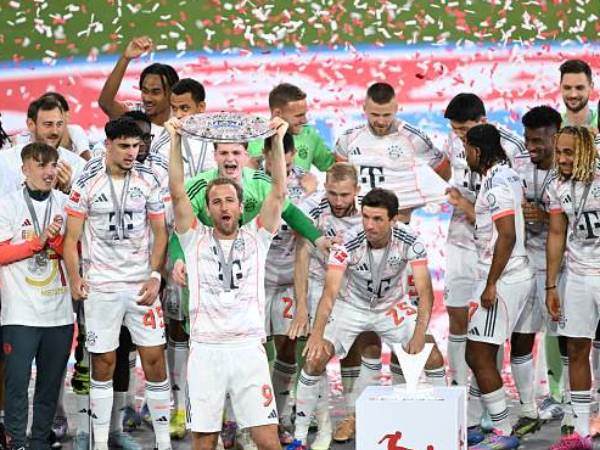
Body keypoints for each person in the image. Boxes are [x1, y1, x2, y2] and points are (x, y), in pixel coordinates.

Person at [289, 188, 445, 450]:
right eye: (366, 217)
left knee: (432, 355)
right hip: (351, 306)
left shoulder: (411, 241)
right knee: (314, 358)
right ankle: (300, 438)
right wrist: (316, 334)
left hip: (391, 306)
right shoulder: (348, 243)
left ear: (393, 220)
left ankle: (445, 427)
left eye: (377, 219)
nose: (369, 225)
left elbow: (426, 293)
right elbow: (330, 293)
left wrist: (419, 334)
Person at [166, 115, 288, 450]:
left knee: (267, 439)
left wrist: (277, 141)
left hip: (248, 349)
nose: (224, 206)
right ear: (207, 209)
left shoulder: (257, 237)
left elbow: (279, 192)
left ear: (240, 206)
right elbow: (177, 193)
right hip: (206, 350)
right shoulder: (194, 240)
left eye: (230, 200)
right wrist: (175, 140)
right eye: (216, 201)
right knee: (204, 441)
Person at [63, 117, 171, 450]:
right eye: (124, 146)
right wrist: (76, 278)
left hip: (140, 287)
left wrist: (155, 275)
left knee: (154, 359)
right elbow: (70, 239)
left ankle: (164, 443)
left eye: (136, 146)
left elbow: (161, 233)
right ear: (107, 145)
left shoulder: (149, 180)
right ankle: (99, 443)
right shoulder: (86, 183)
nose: (131, 152)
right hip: (102, 288)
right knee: (104, 362)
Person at [442, 92, 529, 389]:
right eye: (455, 130)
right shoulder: (454, 142)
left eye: (464, 130)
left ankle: (488, 393)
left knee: (491, 328)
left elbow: (516, 208)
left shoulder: (512, 148)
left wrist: (466, 205)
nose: (459, 137)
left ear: (483, 122)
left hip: (497, 250)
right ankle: (459, 388)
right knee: (458, 315)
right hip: (462, 240)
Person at [461, 124, 534, 450]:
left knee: (478, 354)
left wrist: (491, 283)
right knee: (480, 353)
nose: (465, 155)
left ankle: (503, 431)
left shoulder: (495, 185)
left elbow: (507, 234)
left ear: (477, 151)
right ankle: (481, 424)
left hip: (503, 279)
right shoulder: (508, 175)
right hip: (510, 274)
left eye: (466, 148)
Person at [0, 142, 74, 450]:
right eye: (40, 165)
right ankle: (17, 442)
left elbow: (78, 251)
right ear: (24, 169)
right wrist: (37, 243)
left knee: (49, 387)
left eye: (52, 165)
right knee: (17, 384)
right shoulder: (7, 204)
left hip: (59, 312)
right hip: (20, 312)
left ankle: (40, 441)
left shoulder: (68, 205)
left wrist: (57, 244)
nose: (48, 172)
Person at [292, 162, 363, 450]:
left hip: (354, 288)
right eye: (332, 193)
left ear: (356, 190)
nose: (338, 201)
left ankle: (352, 417)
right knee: (316, 356)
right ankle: (322, 428)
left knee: (357, 350)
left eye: (345, 195)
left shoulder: (368, 211)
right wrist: (301, 306)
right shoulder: (311, 208)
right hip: (319, 287)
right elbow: (301, 255)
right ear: (325, 187)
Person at [262, 132, 318, 446]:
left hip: (288, 280)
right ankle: (246, 420)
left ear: (293, 156)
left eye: (285, 159)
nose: (280, 165)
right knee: (253, 351)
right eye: (274, 159)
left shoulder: (307, 188)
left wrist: (301, 300)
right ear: (266, 157)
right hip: (255, 282)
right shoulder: (252, 183)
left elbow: (305, 240)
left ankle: (279, 417)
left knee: (286, 346)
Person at [546, 126, 599, 449]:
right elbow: (556, 234)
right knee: (577, 348)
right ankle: (580, 432)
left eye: (569, 153)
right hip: (578, 276)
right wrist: (551, 284)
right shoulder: (557, 186)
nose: (562, 159)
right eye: (559, 152)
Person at [98, 35, 179, 157]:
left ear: (172, 94)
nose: (147, 98)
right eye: (145, 91)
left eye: (155, 92)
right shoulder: (133, 115)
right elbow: (106, 103)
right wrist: (125, 58)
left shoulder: (180, 123)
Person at [0, 97, 86, 196]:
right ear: (31, 125)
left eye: (59, 124)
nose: (55, 131)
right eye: (48, 124)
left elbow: (86, 203)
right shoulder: (6, 161)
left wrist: (67, 190)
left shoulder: (78, 165)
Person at [247, 83, 335, 172]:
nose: (304, 120)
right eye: (298, 115)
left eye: (304, 114)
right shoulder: (253, 139)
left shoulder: (309, 135)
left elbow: (333, 167)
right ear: (277, 113)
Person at [15, 92, 92, 160]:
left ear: (67, 116)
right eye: (48, 124)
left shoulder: (76, 132)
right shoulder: (17, 149)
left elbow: (87, 160)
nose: (54, 131)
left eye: (57, 109)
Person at [559, 60, 597, 130]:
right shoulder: (553, 125)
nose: (573, 95)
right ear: (560, 87)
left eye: (579, 88)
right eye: (567, 88)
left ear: (591, 87)